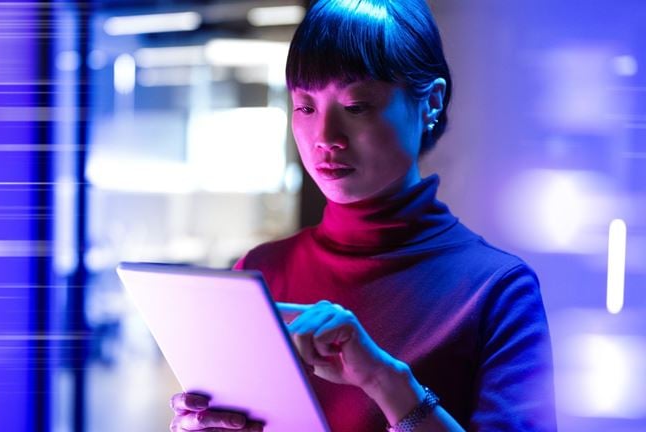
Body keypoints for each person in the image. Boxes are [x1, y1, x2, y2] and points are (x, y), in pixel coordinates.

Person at [169, 0, 556, 431]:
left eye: (356, 107)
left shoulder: (495, 290)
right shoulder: (260, 272)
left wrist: (383, 379)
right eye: (305, 107)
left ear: (431, 102)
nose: (325, 138)